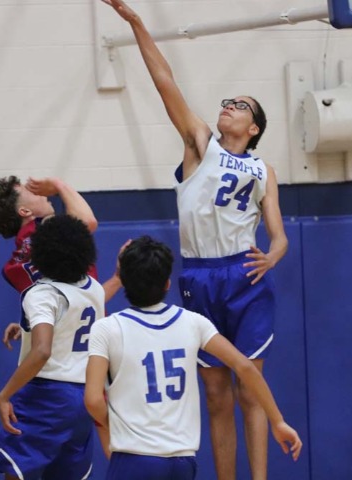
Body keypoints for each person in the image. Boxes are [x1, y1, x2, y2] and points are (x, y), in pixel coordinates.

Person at [102, 1, 290, 479]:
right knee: (215, 394)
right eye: (227, 101)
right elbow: (165, 80)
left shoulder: (263, 169)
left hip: (246, 275)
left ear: (254, 128)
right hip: (201, 274)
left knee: (251, 388)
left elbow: (279, 236)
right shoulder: (199, 143)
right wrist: (136, 23)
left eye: (240, 105)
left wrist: (272, 256)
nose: (229, 106)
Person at [85, 237, 300, 480]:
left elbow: (93, 400)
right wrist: (278, 421)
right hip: (182, 461)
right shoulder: (193, 323)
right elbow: (245, 367)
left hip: (133, 458)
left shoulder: (106, 328)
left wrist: (119, 427)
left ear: (124, 281)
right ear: (168, 283)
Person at [0, 215, 105, 480]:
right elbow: (70, 324)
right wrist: (26, 328)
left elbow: (43, 350)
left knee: (17, 473)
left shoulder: (41, 293)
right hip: (84, 398)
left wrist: (5, 395)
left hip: (46, 396)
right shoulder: (95, 289)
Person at [0, 175, 121, 301]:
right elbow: (88, 222)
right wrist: (59, 185)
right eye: (31, 191)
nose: (42, 194)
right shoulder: (49, 234)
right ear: (25, 211)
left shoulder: (12, 267)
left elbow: (84, 303)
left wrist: (117, 279)